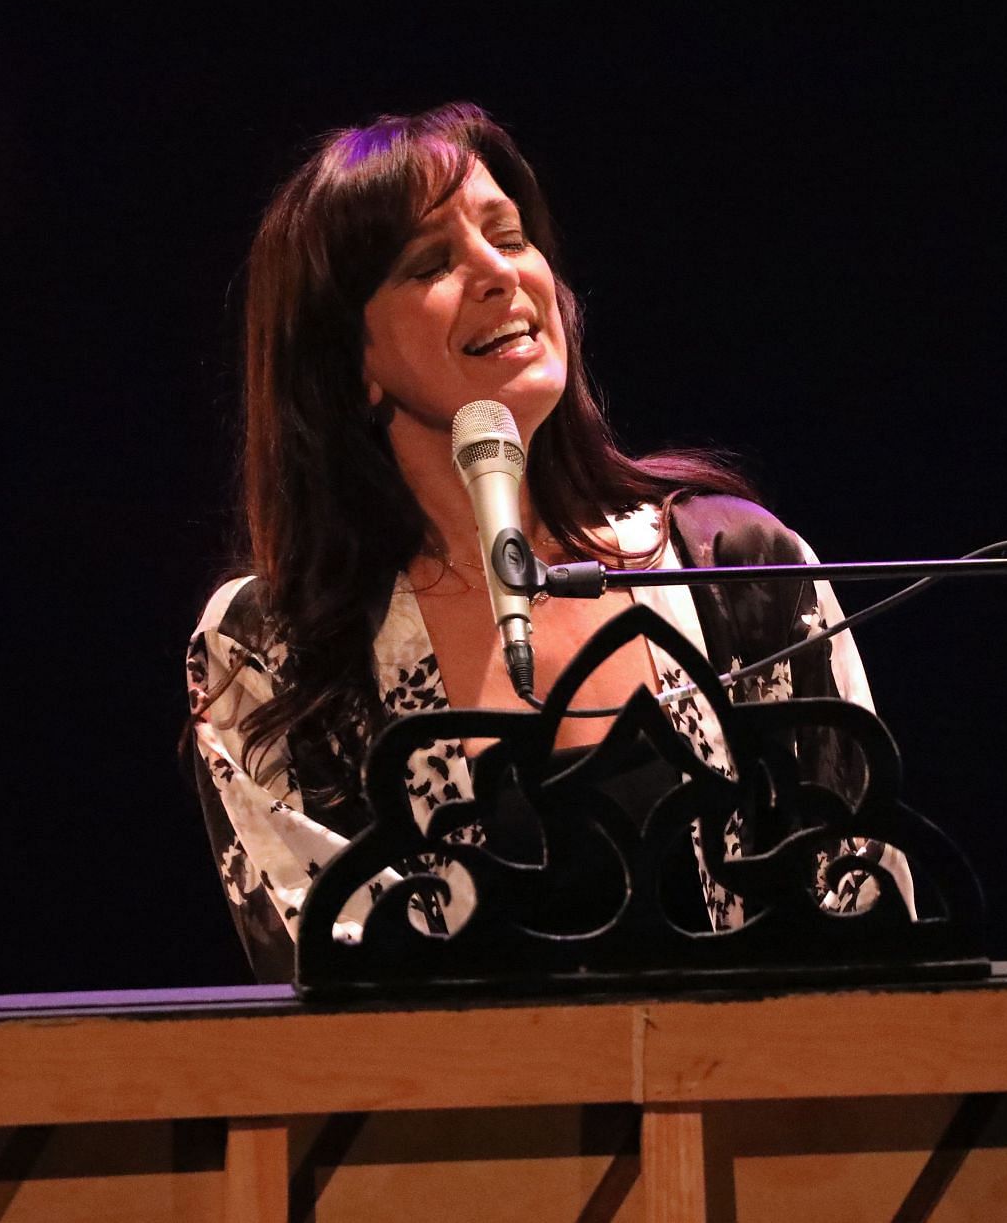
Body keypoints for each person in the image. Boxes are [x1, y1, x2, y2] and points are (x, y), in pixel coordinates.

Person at [187, 103, 912, 982]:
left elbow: (864, 917)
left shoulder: (741, 571)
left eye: (510, 235)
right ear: (352, 363)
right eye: (432, 262)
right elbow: (330, 982)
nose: (500, 274)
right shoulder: (277, 645)